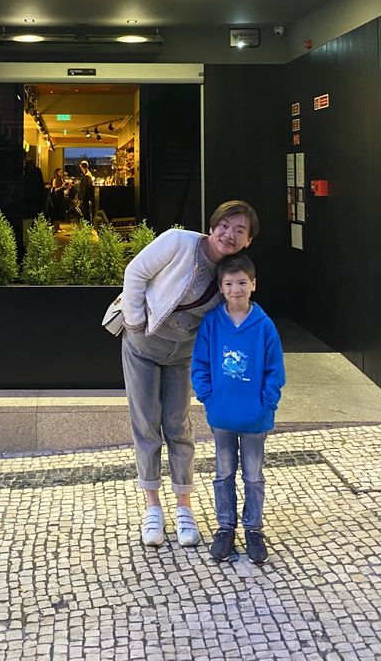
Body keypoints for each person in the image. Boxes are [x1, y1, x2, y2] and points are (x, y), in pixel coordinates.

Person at [120, 200, 259, 548]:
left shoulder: (231, 272)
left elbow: (233, 320)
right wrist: (136, 322)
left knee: (179, 426)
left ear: (248, 241)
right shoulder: (178, 242)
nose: (229, 234)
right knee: (146, 424)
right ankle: (152, 507)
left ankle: (184, 507)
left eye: (239, 231)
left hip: (182, 355)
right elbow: (135, 273)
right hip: (142, 346)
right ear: (212, 226)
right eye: (224, 225)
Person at [191, 254, 285, 565]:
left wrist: (266, 403)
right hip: (222, 415)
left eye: (242, 282)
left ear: (254, 284)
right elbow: (200, 365)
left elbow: (275, 369)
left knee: (254, 476)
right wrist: (210, 398)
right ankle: (225, 527)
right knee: (223, 473)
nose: (236, 289)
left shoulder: (264, 326)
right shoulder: (212, 324)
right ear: (220, 287)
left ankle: (254, 529)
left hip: (255, 417)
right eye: (229, 283)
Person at [50, 167, 67, 233]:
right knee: (56, 211)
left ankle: (58, 226)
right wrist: (62, 186)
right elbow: (55, 189)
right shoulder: (55, 180)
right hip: (57, 197)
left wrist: (66, 187)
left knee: (60, 211)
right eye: (60, 172)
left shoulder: (61, 179)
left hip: (61, 196)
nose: (61, 173)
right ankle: (55, 227)